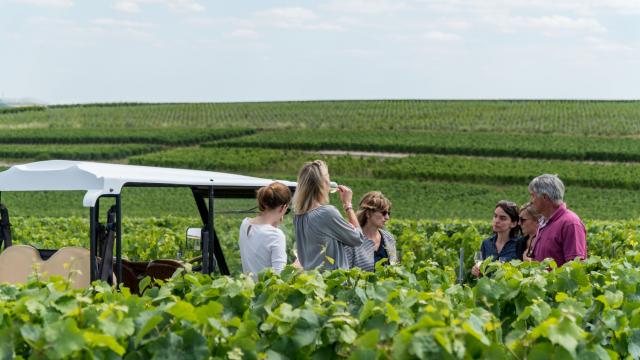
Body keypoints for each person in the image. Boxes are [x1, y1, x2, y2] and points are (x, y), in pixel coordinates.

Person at [293, 160, 365, 270]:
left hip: (312, 281)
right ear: (323, 183)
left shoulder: (298, 216)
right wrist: (348, 205)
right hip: (332, 283)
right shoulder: (326, 213)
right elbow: (358, 238)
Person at [528, 174, 587, 266]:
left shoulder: (570, 223)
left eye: (533, 196)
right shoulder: (544, 222)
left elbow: (576, 266)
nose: (531, 201)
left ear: (544, 197)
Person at [238, 182, 292, 280]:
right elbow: (280, 277)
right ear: (283, 208)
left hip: (248, 290)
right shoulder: (275, 235)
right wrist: (297, 265)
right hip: (266, 293)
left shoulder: (245, 224)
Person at [345, 191, 397, 271]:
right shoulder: (352, 241)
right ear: (368, 214)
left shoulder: (389, 238)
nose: (387, 217)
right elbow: (345, 274)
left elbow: (394, 268)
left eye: (388, 213)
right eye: (384, 213)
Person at [471, 200, 521, 277]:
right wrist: (477, 272)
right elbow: (481, 272)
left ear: (513, 223)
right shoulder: (486, 243)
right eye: (495, 216)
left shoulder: (520, 245)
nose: (497, 221)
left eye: (502, 218)